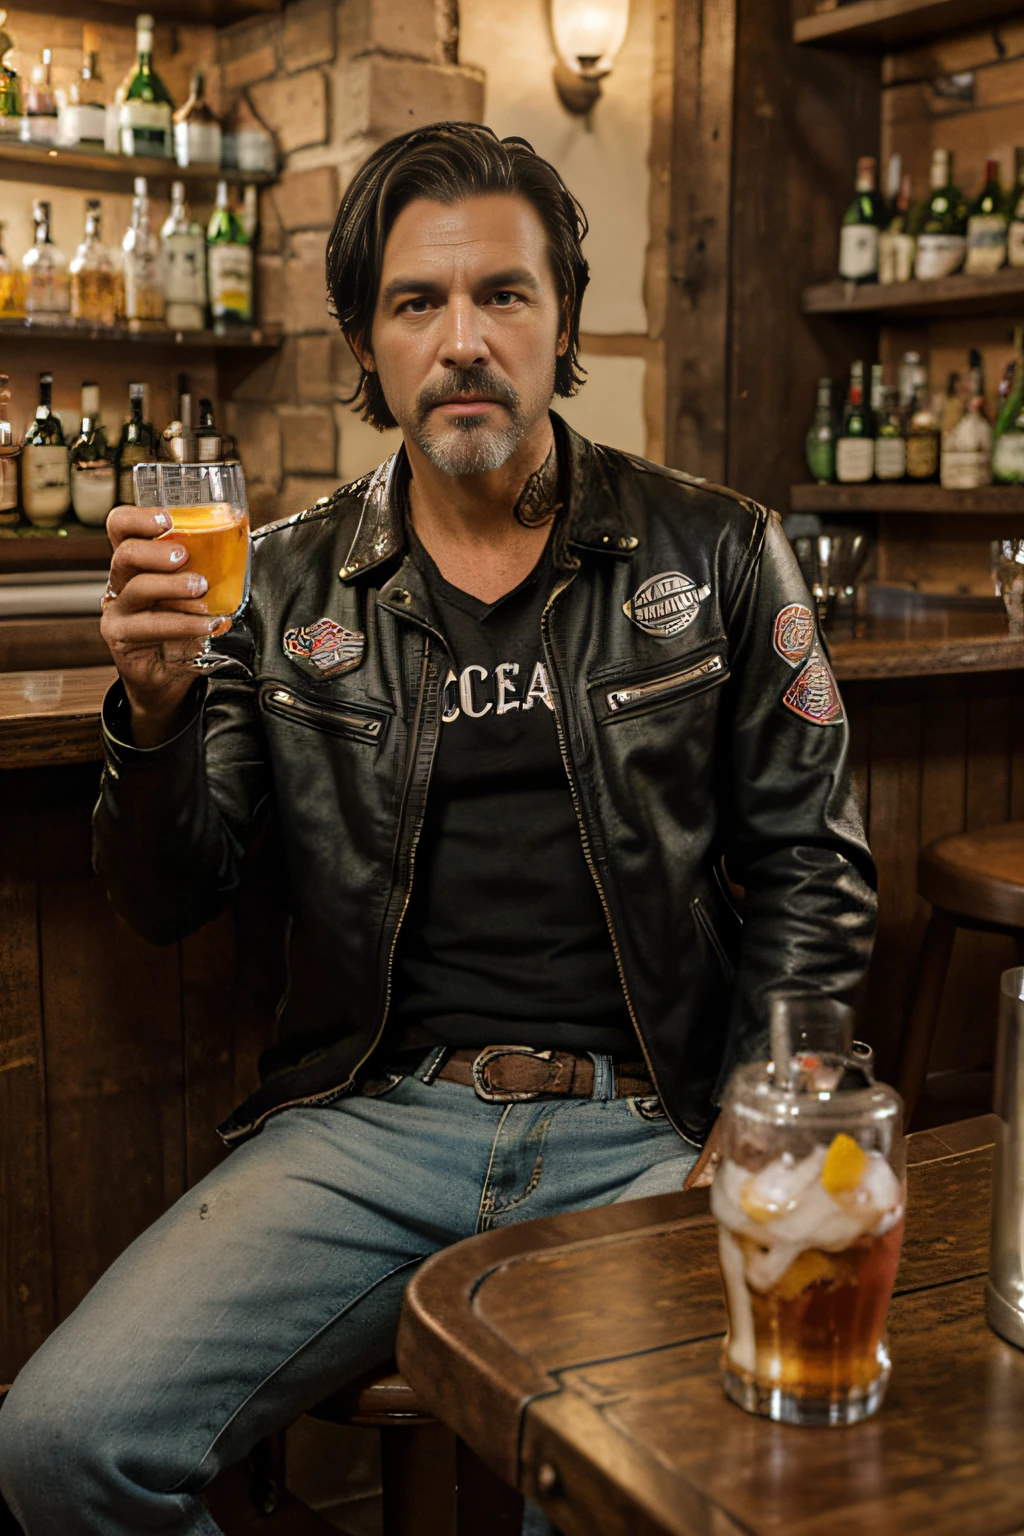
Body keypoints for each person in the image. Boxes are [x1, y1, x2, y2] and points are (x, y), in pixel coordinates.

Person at [0, 123, 876, 1534]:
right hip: (370, 1124)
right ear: (366, 341)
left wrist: (763, 1130)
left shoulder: (715, 548)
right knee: (60, 1443)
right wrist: (154, 713)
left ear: (562, 318)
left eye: (502, 296)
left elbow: (811, 871)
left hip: (647, 1131)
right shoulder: (282, 587)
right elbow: (172, 895)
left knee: (615, 1496)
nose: (462, 339)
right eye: (418, 303)